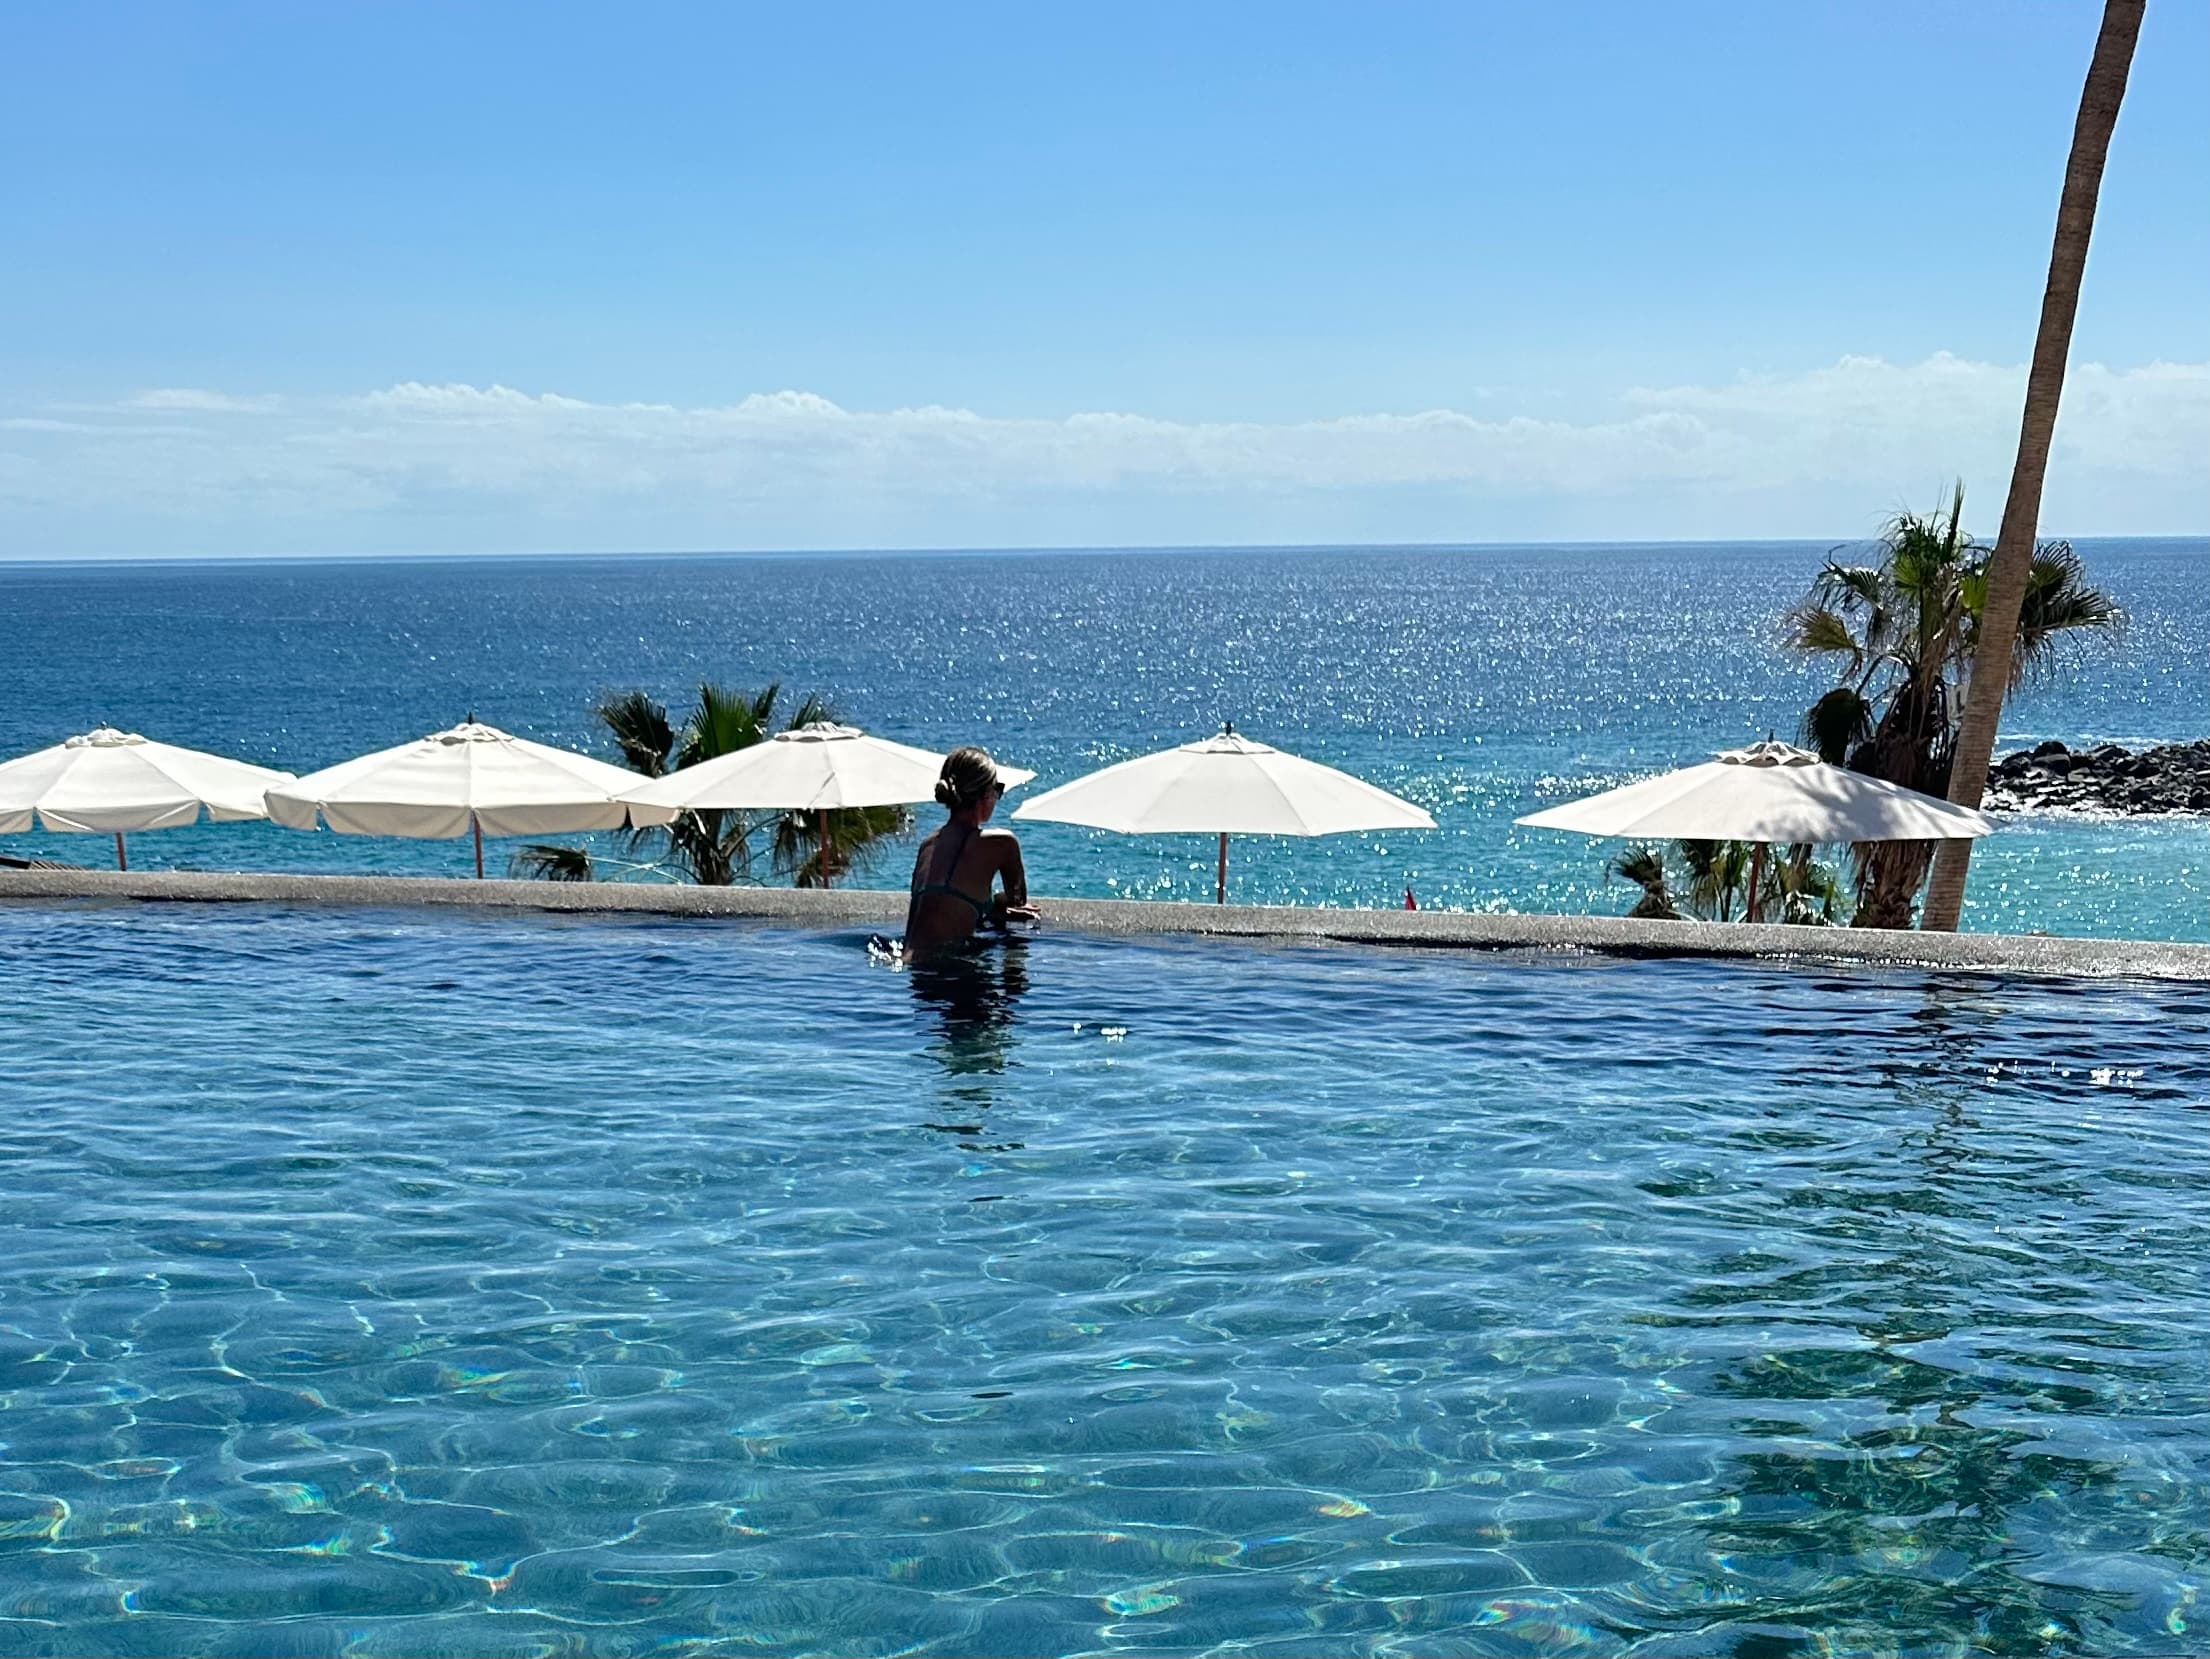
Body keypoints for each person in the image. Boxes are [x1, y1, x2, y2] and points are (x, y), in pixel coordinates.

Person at [903, 746, 1036, 962]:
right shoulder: (1003, 843)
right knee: (1014, 990)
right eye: (997, 789)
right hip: (948, 972)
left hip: (909, 971)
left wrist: (990, 908)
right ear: (985, 795)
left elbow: (944, 907)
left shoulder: (927, 846)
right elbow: (1018, 905)